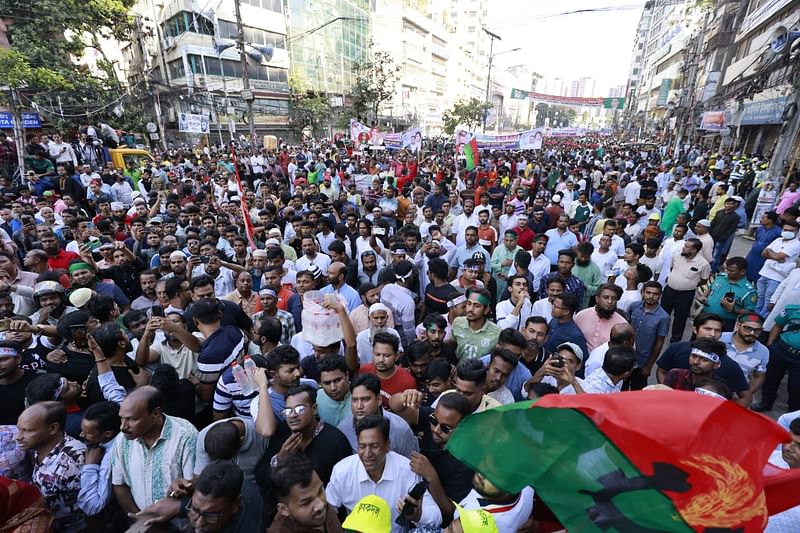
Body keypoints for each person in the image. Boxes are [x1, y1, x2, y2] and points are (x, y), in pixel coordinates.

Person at [325, 415, 442, 532]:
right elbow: (327, 509)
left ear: (387, 446)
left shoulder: (406, 470)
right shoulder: (342, 471)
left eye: (374, 446)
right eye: (362, 446)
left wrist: (418, 516)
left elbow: (436, 517)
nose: (367, 453)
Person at [255, 384, 352, 517]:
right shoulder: (282, 432)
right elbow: (260, 477)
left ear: (314, 409)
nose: (293, 415)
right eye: (288, 411)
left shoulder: (335, 440)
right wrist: (279, 460)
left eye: (299, 409)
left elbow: (345, 488)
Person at [111, 386, 197, 514]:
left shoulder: (186, 436)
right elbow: (119, 485)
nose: (123, 426)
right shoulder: (121, 441)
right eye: (122, 418)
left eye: (132, 419)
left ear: (155, 413)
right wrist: (140, 520)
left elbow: (195, 488)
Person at [16, 401, 86, 531]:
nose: (18, 437)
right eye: (19, 429)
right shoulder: (36, 448)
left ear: (53, 428)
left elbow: (93, 511)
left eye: (27, 431)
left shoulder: (73, 461)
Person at [656, 313, 751, 406]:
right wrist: (667, 392)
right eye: (708, 329)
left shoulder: (730, 366)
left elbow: (746, 397)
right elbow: (662, 371)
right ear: (695, 329)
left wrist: (725, 412)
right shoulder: (676, 350)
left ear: (716, 364)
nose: (712, 334)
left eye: (717, 330)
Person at [337, 373, 419, 458]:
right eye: (355, 400)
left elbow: (412, 466)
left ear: (379, 399)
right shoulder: (343, 429)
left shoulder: (400, 429)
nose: (359, 406)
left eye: (365, 399)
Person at [268, 453, 344, 532]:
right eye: (306, 502)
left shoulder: (321, 507)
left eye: (320, 491)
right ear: (284, 509)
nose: (320, 505)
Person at [661, 238, 710, 343]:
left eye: (687, 247)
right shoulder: (677, 256)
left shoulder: (703, 264)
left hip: (685, 295)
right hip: (669, 291)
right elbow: (672, 268)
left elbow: (704, 280)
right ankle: (659, 333)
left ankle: (675, 340)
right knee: (662, 314)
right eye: (685, 245)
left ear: (695, 250)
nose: (683, 248)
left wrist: (688, 284)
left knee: (680, 318)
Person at [627, 282, 670, 390]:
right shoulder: (634, 307)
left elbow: (659, 343)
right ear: (642, 293)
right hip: (626, 356)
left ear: (660, 296)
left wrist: (649, 366)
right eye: (648, 293)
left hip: (642, 361)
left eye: (655, 294)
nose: (651, 296)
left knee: (638, 392)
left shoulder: (663, 317)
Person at [702, 257, 757, 331]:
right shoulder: (721, 277)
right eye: (726, 269)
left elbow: (750, 311)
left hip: (725, 322)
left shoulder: (748, 291)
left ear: (742, 272)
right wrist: (704, 297)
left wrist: (733, 309)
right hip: (705, 315)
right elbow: (710, 288)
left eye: (731, 270)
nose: (727, 272)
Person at [574, 283, 628, 352]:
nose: (609, 301)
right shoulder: (581, 316)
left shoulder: (622, 324)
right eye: (606, 297)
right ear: (597, 299)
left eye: (614, 298)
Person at [451, 288, 501, 361]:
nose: (470, 309)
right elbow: (453, 344)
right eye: (469, 304)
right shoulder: (457, 323)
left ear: (486, 310)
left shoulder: (497, 333)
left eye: (477, 306)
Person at [543, 292, 588, 360]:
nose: (553, 308)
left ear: (566, 312)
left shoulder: (575, 335)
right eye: (553, 304)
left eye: (556, 306)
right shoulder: (553, 321)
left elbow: (582, 360)